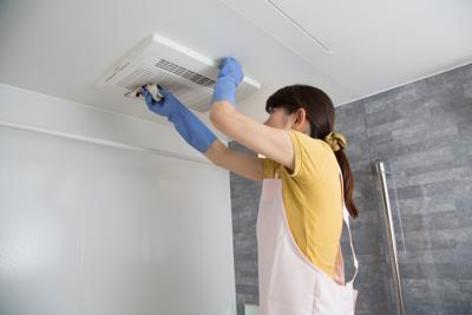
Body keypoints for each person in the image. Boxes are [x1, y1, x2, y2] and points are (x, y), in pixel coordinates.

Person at [140, 57, 359, 315]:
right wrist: (176, 113)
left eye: (271, 115)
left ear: (298, 118)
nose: (265, 125)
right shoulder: (290, 170)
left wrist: (229, 79)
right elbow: (221, 156)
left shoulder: (315, 152)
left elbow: (223, 117)